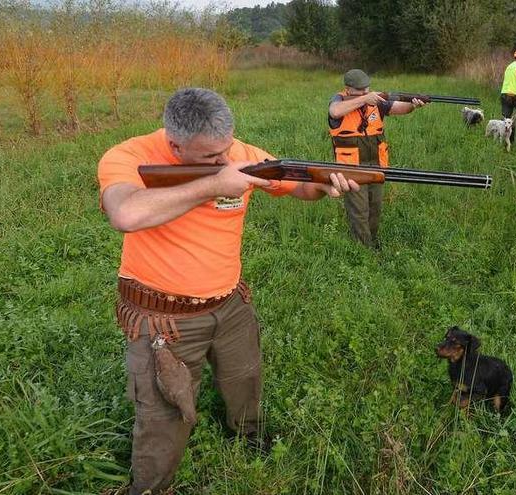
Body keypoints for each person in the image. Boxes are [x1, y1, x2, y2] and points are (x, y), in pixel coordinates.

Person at [98, 87, 359, 495]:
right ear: (174, 145)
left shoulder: (242, 153)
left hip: (231, 303)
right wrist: (213, 184)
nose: (225, 160)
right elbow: (125, 213)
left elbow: (301, 188)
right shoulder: (127, 156)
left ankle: (250, 438)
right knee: (164, 413)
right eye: (210, 157)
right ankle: (151, 485)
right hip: (165, 317)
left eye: (227, 150)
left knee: (245, 378)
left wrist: (325, 185)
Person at [328, 68, 427, 249]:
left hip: (377, 165)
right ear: (348, 90)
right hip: (352, 168)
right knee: (359, 210)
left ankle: (372, 241)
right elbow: (334, 112)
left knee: (375, 207)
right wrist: (364, 99)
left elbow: (399, 108)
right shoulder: (339, 100)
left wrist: (413, 104)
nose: (366, 92)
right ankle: (363, 250)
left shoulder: (376, 101)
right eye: (361, 90)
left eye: (367, 89)